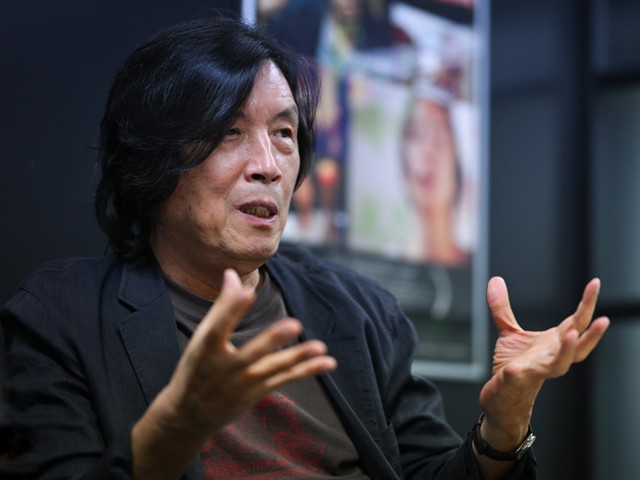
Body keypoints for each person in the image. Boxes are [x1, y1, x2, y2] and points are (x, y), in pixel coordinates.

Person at [0, 15, 609, 480]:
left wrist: (504, 425)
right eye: (228, 132)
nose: (268, 165)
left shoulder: (358, 310)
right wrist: (175, 431)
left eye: (284, 133)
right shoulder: (61, 314)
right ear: (152, 159)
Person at [400, 91, 470, 266]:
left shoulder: (473, 265)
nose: (427, 152)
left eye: (438, 138)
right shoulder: (384, 266)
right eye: (417, 135)